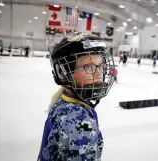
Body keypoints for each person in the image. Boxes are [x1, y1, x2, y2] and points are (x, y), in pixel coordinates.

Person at [37, 32, 115, 161]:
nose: (99, 73)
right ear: (64, 73)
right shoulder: (78, 122)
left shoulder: (65, 99)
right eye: (88, 67)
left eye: (100, 65)